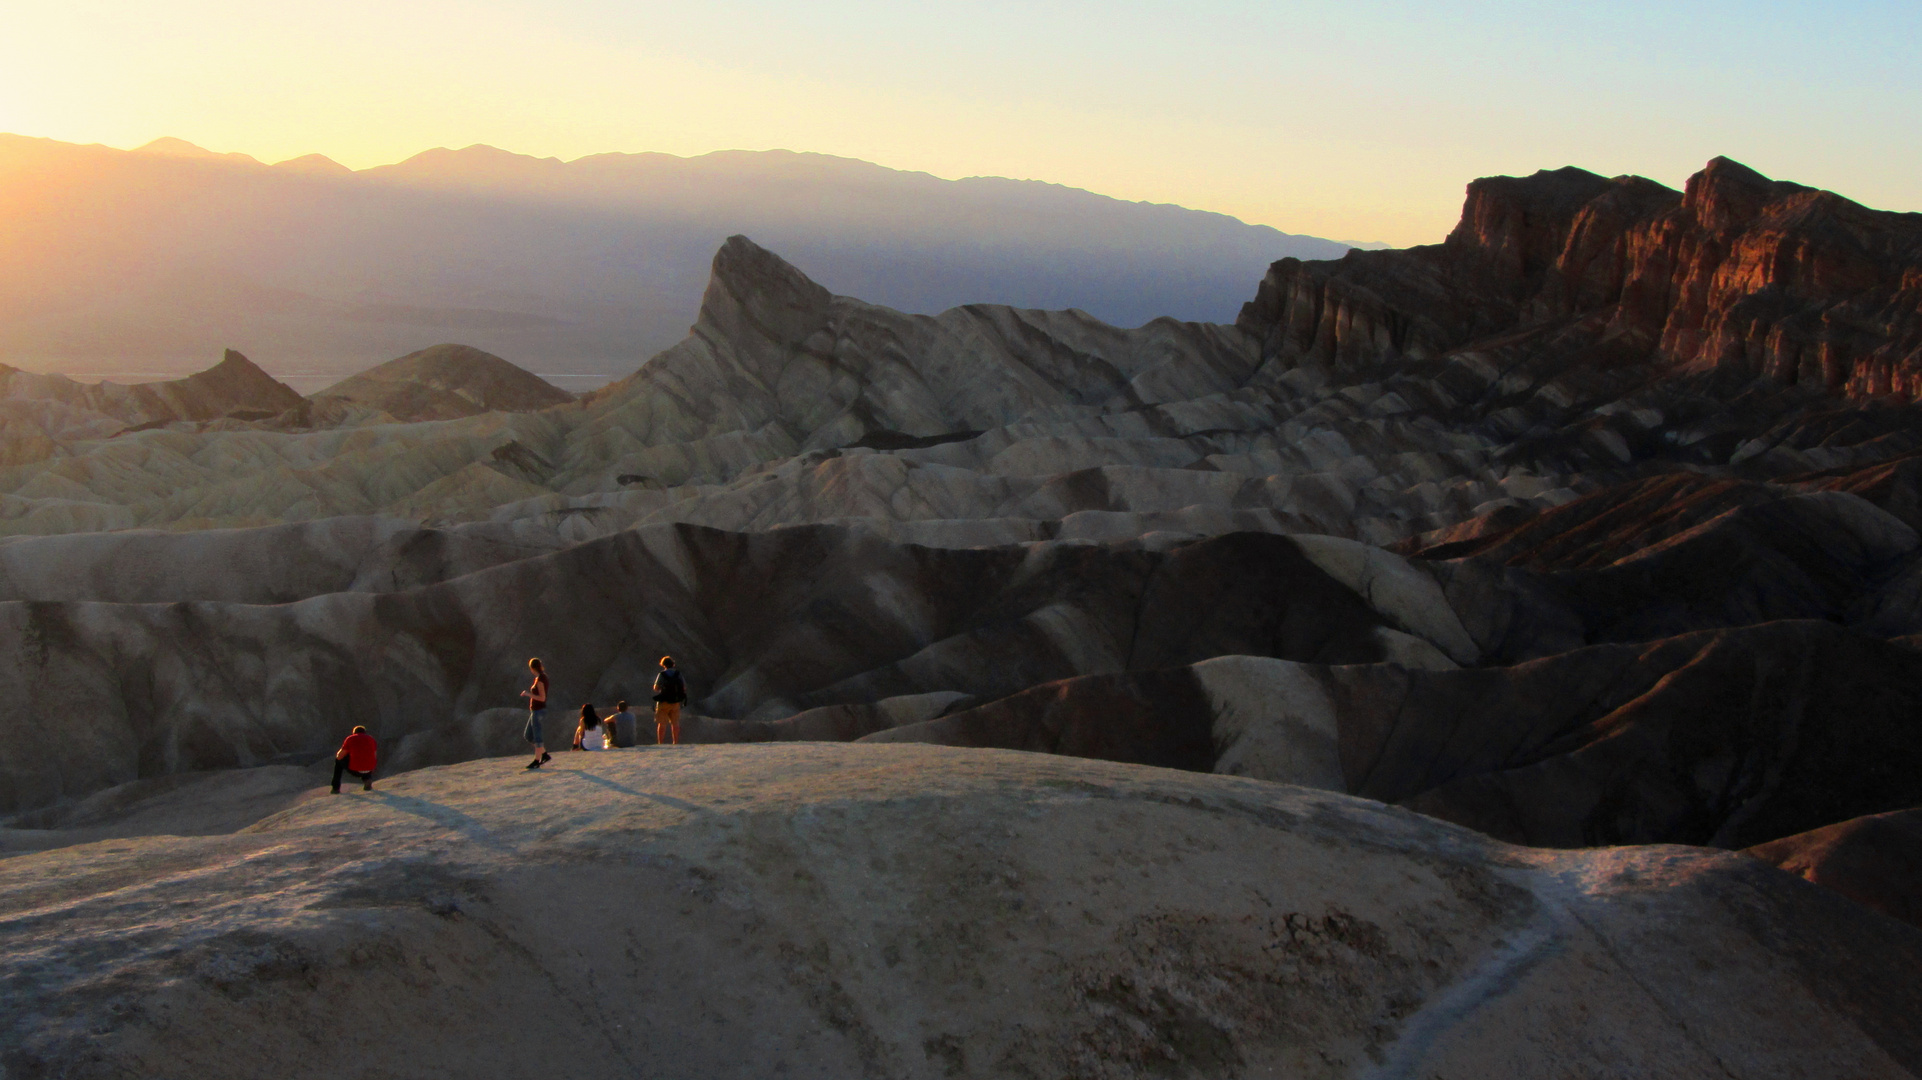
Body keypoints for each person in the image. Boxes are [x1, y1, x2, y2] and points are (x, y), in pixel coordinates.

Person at [521, 658, 551, 769]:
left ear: (533, 668)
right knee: (528, 735)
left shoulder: (540, 679)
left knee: (537, 737)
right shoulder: (540, 678)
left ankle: (537, 761)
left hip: (538, 711)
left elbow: (542, 698)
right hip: (535, 711)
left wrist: (528, 694)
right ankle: (544, 754)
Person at [653, 655, 687, 745]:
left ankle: (660, 743)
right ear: (673, 664)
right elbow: (684, 687)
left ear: (663, 665)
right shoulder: (678, 674)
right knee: (675, 723)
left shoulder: (661, 674)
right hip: (675, 702)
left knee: (661, 723)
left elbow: (656, 688)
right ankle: (675, 742)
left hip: (663, 701)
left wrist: (663, 688)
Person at [332, 726, 377, 793]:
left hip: (355, 770)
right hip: (369, 769)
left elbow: (339, 756)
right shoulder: (371, 739)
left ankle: (335, 788)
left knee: (338, 761)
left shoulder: (350, 738)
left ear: (354, 733)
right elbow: (374, 756)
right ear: (364, 732)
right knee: (367, 757)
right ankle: (367, 779)